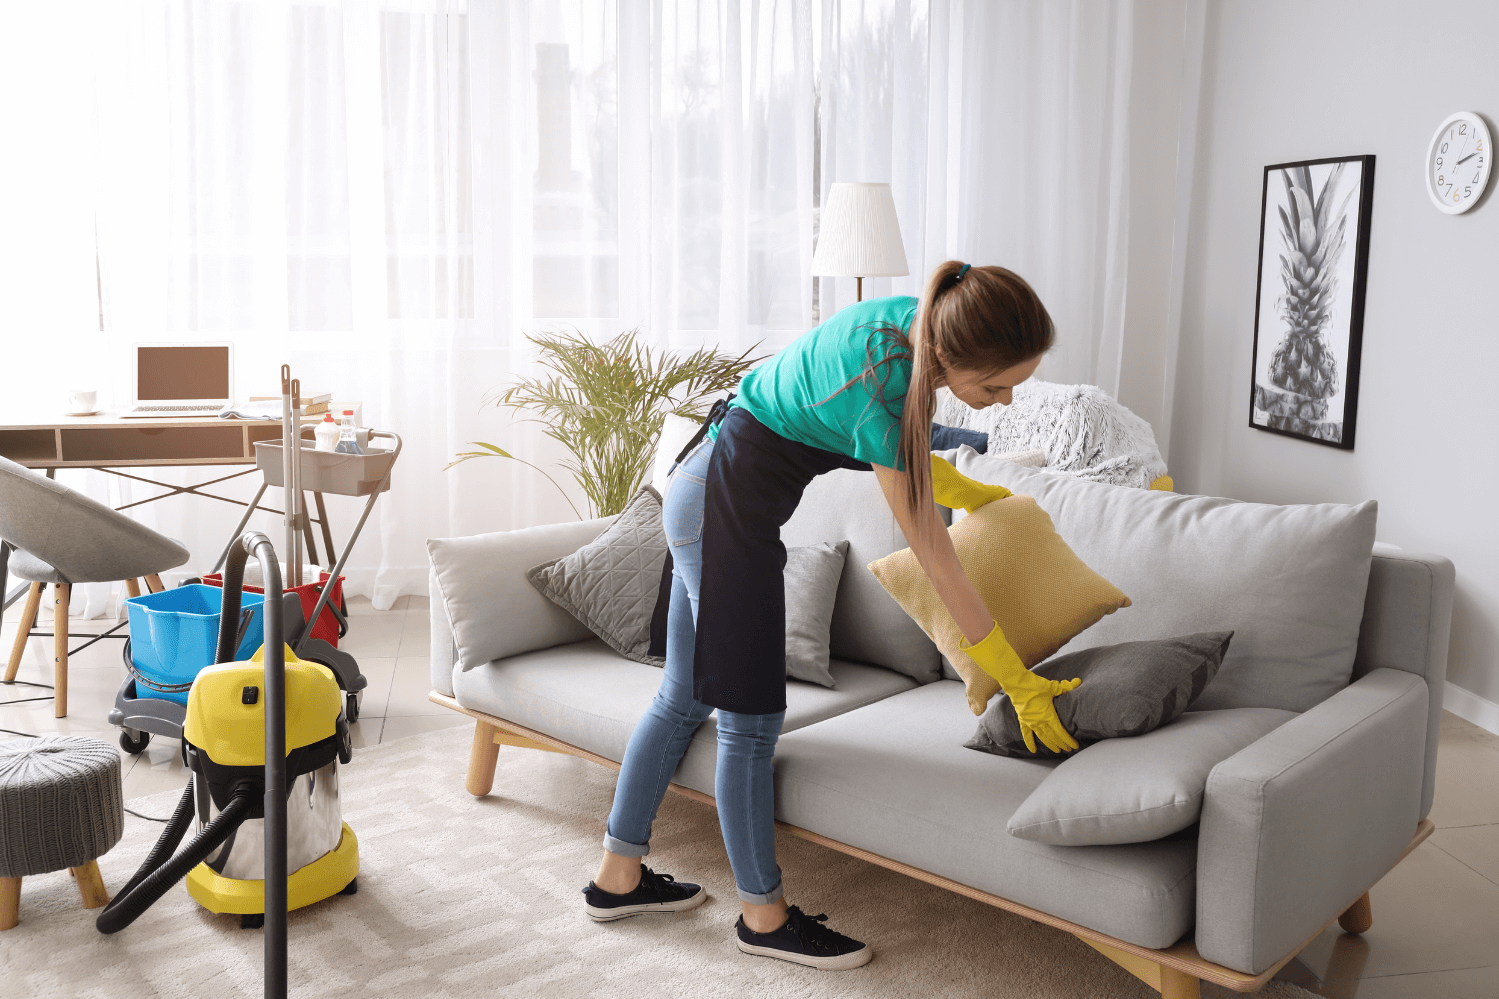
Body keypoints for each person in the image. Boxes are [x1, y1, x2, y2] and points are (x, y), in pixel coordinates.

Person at [580, 261, 1081, 970]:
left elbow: (898, 453)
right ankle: (762, 915)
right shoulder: (883, 382)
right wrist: (1015, 678)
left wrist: (968, 489)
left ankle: (617, 876)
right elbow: (937, 560)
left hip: (703, 486)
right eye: (995, 385)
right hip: (723, 511)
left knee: (685, 693)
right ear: (946, 353)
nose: (1000, 402)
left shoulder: (918, 321)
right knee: (749, 723)